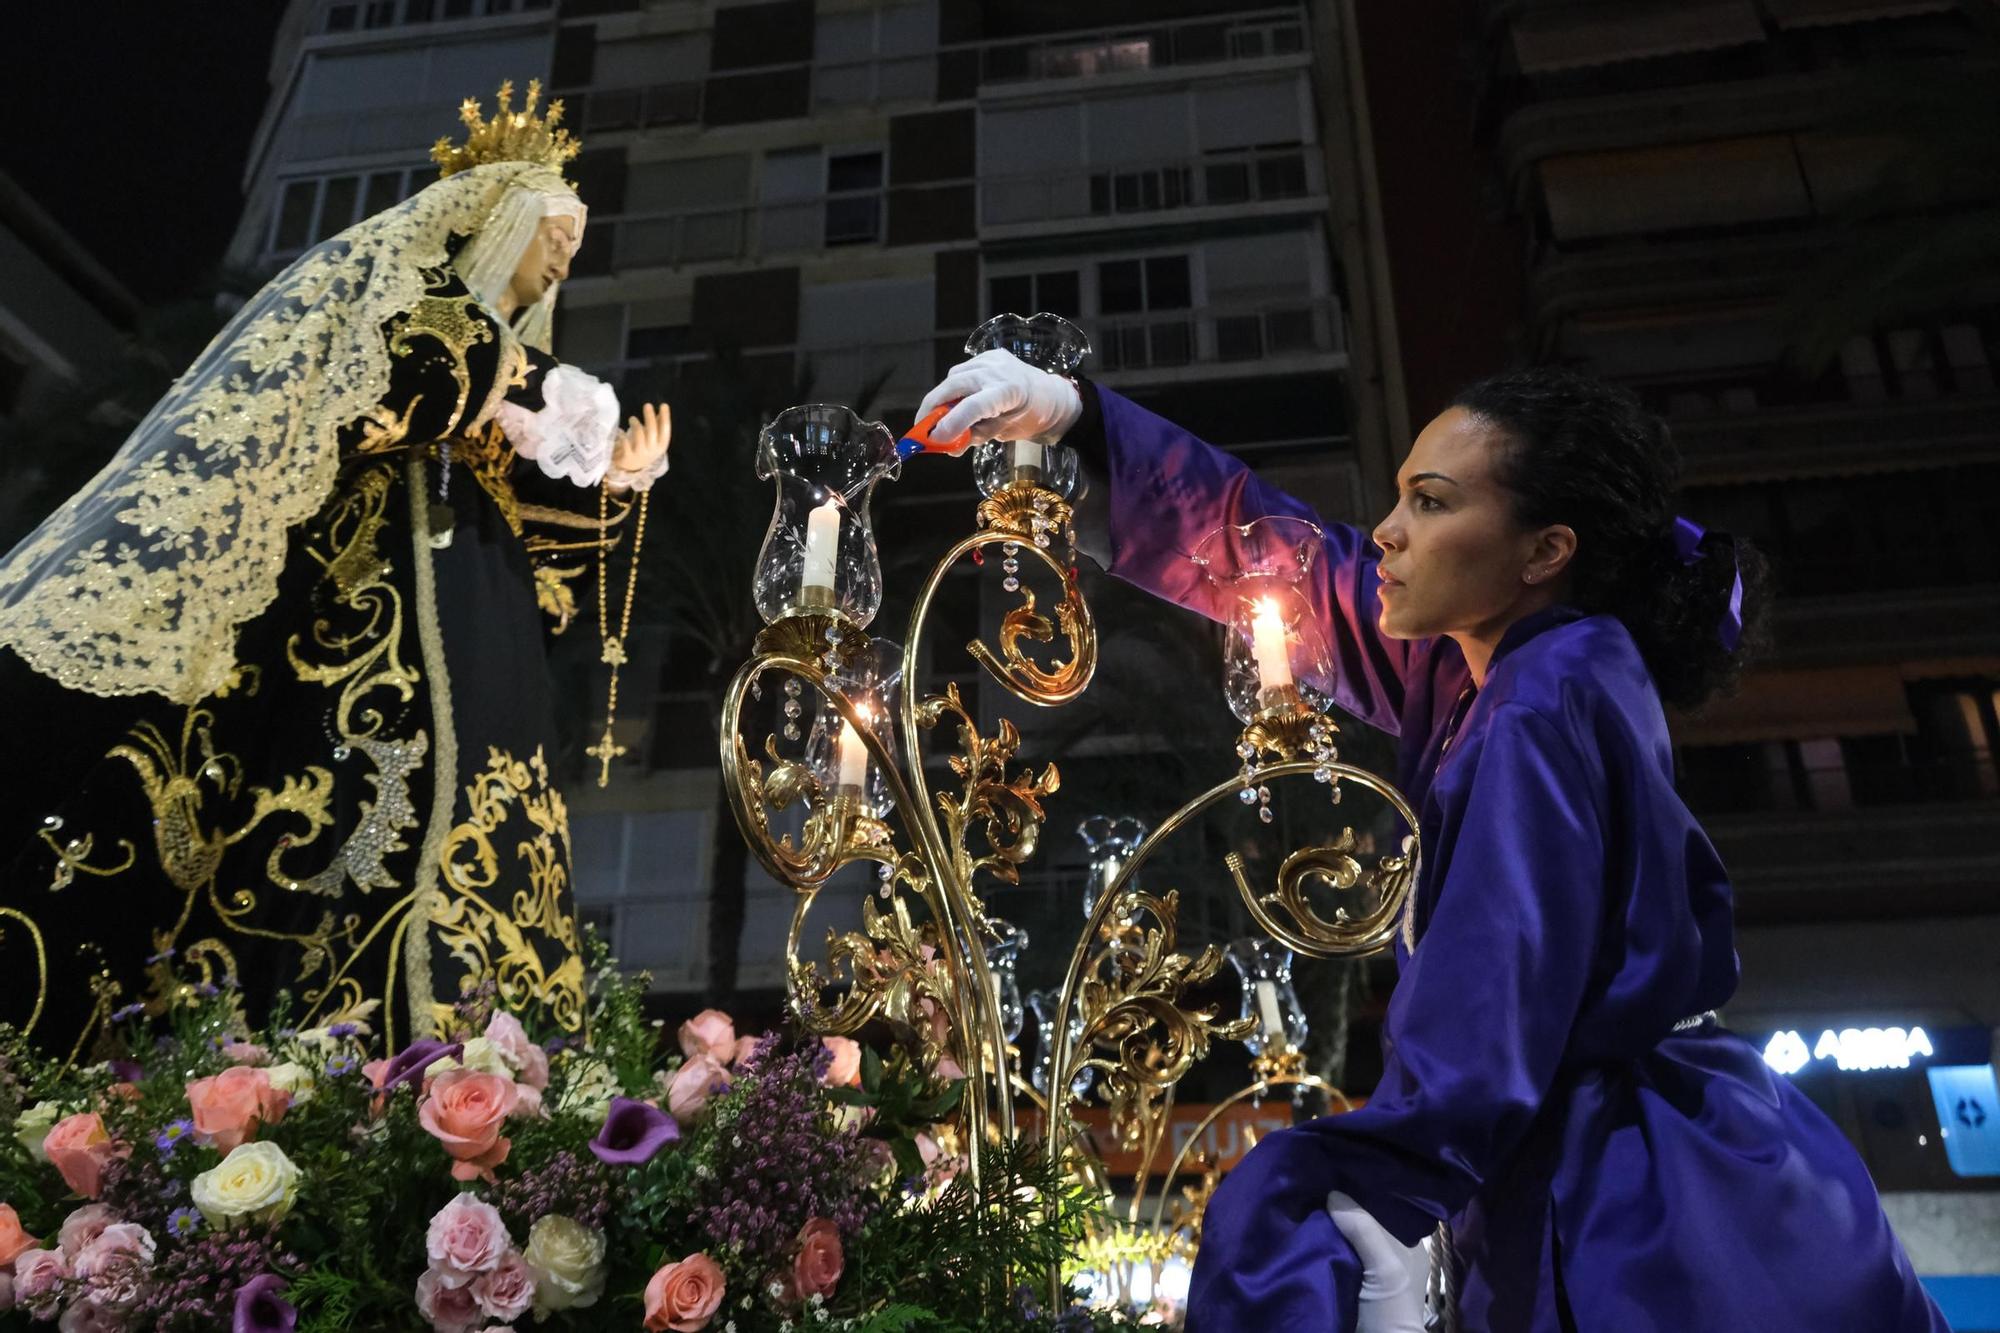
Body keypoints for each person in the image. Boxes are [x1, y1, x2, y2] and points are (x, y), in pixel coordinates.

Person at [913, 351, 1949, 1331]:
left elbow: (1485, 1003)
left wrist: (1343, 1185)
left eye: (1432, 501)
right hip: (1647, 1156)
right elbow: (1290, 558)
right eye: (1402, 493)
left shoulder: (1542, 697)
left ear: (1543, 552)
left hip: (1637, 1202)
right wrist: (1082, 422)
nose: (1389, 530)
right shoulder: (1487, 664)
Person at [0, 84, 669, 1062]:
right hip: (375, 616)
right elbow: (414, 379)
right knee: (355, 824)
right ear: (499, 217)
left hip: (484, 643)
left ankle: (506, 1076)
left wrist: (613, 480)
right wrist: (523, 391)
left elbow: (551, 566)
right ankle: (355, 1063)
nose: (568, 251)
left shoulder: (516, 385)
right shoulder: (408, 293)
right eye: (553, 227)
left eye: (575, 238)